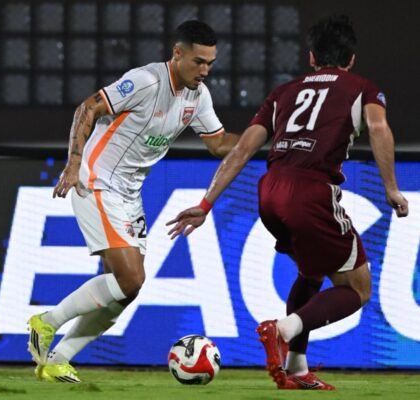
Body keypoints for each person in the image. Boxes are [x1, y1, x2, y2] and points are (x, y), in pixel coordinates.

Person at [167, 15, 409, 390]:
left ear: (312, 57)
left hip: (269, 191)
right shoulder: (363, 88)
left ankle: (296, 368)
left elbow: (242, 150)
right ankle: (282, 329)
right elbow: (378, 127)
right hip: (312, 192)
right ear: (351, 59)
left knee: (310, 273)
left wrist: (206, 204)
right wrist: (391, 187)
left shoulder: (283, 93)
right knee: (358, 289)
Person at [27, 20, 240, 383]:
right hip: (97, 180)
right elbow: (87, 109)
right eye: (198, 61)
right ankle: (46, 322)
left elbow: (219, 144)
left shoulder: (198, 96)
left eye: (210, 63)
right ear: (177, 53)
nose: (205, 70)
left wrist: (262, 138)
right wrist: (74, 163)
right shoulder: (146, 81)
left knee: (126, 291)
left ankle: (58, 360)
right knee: (130, 278)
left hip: (129, 193)